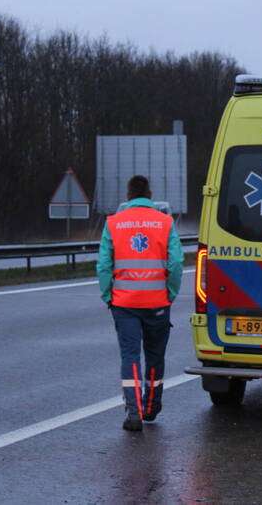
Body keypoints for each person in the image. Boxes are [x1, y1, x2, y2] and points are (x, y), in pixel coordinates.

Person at [97, 175, 183, 431]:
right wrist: (170, 293)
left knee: (130, 356)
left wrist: (108, 295)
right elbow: (176, 263)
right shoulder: (165, 222)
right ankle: (151, 407)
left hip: (124, 304)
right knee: (155, 356)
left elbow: (104, 265)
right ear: (150, 194)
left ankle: (133, 414)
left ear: (128, 196)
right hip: (157, 303)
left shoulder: (113, 223)